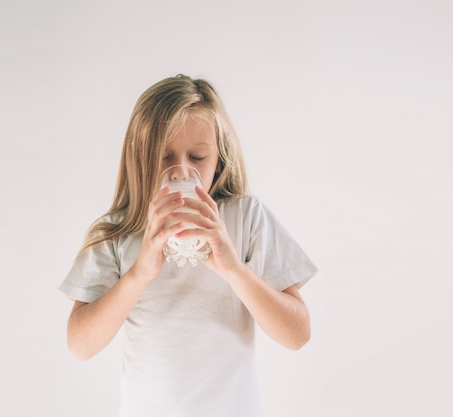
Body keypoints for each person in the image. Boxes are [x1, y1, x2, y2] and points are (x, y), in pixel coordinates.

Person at [59, 74, 317, 417]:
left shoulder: (245, 217)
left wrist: (234, 270)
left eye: (197, 157)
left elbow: (297, 334)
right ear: (139, 157)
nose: (181, 172)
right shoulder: (119, 231)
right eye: (164, 157)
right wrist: (138, 274)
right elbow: (80, 346)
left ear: (219, 159)